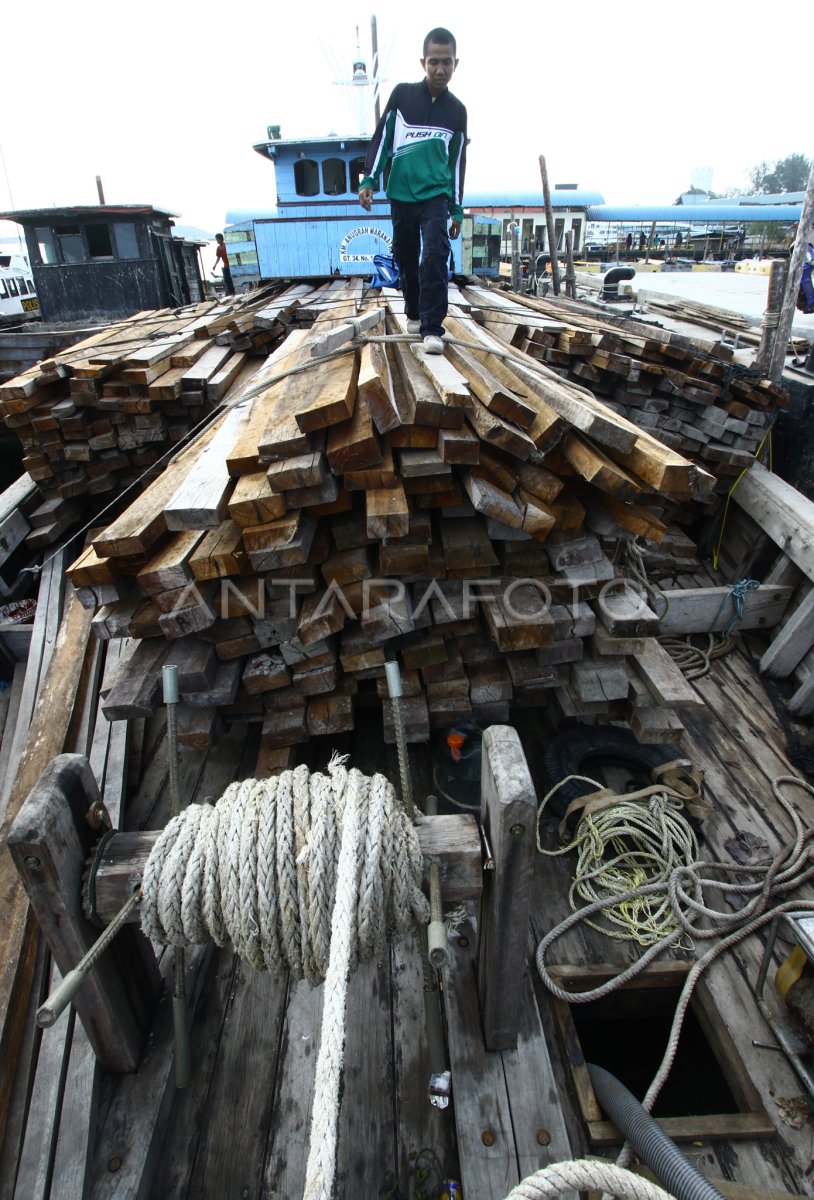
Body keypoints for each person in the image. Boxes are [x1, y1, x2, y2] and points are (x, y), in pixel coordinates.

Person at [358, 27, 467, 354]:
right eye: (434, 61)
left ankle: (433, 328)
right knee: (406, 258)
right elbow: (381, 142)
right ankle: (415, 313)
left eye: (446, 62)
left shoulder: (457, 111)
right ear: (423, 61)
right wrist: (369, 179)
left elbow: (457, 163)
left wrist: (457, 208)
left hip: (436, 196)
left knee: (434, 255)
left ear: (455, 63)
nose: (440, 69)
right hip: (401, 195)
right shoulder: (402, 97)